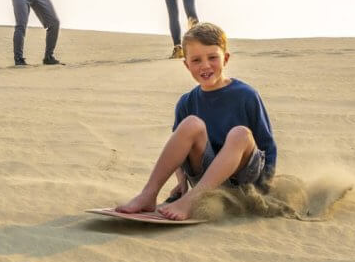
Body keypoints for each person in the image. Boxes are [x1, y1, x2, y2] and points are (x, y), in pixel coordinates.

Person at [116, 22, 277, 221]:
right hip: (206, 178)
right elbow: (178, 151)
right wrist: (181, 181)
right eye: (196, 60)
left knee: (240, 133)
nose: (205, 66)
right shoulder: (186, 102)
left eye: (212, 57)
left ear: (225, 59)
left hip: (244, 180)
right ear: (186, 64)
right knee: (191, 123)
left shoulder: (246, 95)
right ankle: (148, 194)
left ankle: (192, 200)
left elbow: (268, 145)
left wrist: (263, 192)